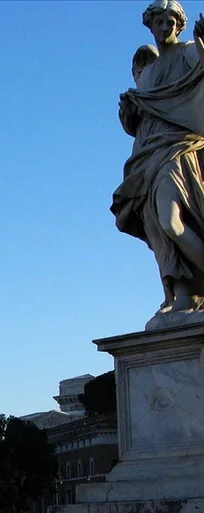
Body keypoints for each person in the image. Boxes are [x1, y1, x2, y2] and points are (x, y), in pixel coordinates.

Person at [113, 1, 204, 314]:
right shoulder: (148, 71)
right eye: (160, 22)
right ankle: (183, 295)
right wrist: (128, 113)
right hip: (145, 155)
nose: (166, 28)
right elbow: (135, 123)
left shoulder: (188, 52)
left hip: (178, 149)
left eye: (171, 23)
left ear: (179, 25)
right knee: (157, 229)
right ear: (149, 25)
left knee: (171, 221)